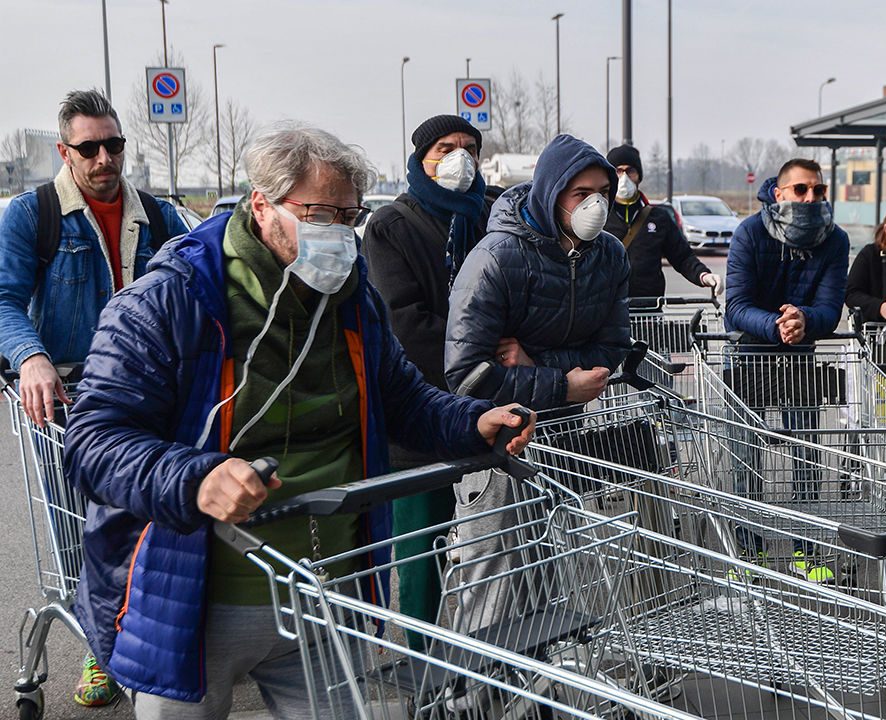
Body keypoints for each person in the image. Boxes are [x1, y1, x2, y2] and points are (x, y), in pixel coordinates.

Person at [61, 122, 535, 716]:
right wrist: (195, 477)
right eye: (317, 212)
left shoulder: (352, 298)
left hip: (326, 588)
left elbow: (403, 398)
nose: (336, 232)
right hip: (194, 599)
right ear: (262, 205)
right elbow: (93, 439)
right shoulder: (171, 299)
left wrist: (472, 421)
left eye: (348, 215)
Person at [0, 89, 187, 708]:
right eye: (90, 148)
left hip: (148, 389)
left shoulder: (160, 217)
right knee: (81, 526)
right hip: (70, 397)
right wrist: (30, 358)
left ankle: (152, 635)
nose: (104, 158)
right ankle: (101, 649)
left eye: (113, 144)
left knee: (155, 516)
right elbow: (3, 298)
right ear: (65, 151)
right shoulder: (35, 215)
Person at [361, 113, 494, 647]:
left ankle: (495, 657)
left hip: (492, 402)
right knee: (421, 544)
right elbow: (404, 321)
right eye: (444, 147)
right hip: (422, 407)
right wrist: (485, 354)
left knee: (500, 541)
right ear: (420, 158)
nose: (458, 157)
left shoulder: (490, 214)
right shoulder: (393, 225)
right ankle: (419, 656)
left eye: (468, 147)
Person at [724, 158, 849, 583]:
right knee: (747, 459)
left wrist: (803, 320)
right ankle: (750, 551)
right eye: (801, 190)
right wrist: (780, 326)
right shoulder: (750, 233)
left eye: (818, 191)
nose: (811, 199)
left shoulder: (835, 240)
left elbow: (831, 309)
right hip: (749, 355)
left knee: (808, 456)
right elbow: (737, 306)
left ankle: (807, 551)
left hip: (800, 358)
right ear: (779, 193)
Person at [445, 133, 630, 411]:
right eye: (581, 194)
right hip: (504, 430)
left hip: (566, 426)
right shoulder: (494, 258)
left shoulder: (611, 255)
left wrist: (539, 366)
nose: (596, 206)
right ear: (550, 195)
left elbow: (612, 347)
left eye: (603, 193)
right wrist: (563, 385)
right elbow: (467, 375)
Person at [603, 144, 720, 299]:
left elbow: (683, 257)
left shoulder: (659, 217)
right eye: (618, 171)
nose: (624, 178)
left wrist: (703, 275)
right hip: (609, 308)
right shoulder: (600, 216)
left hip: (649, 307)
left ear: (639, 176)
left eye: (630, 171)